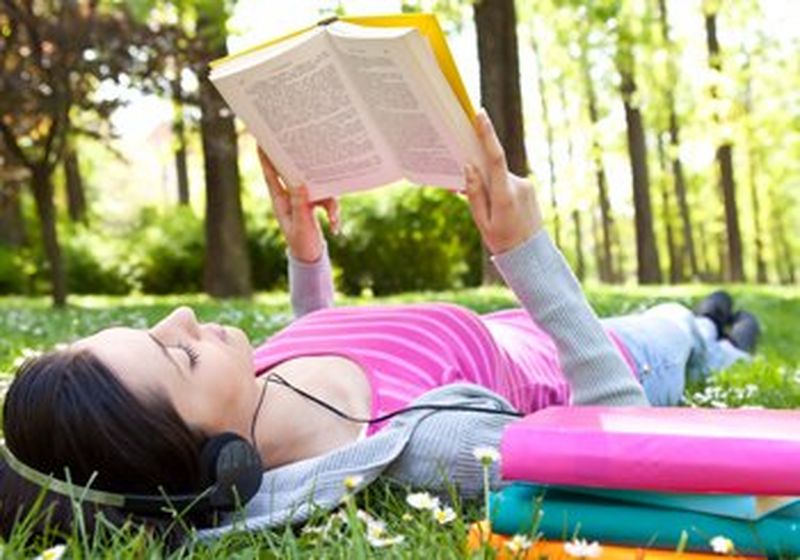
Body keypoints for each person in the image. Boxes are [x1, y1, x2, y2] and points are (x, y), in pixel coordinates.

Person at [0, 112, 759, 541]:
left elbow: (323, 346)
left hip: (504, 326)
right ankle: (714, 336)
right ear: (221, 464)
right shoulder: (426, 446)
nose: (189, 319)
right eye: (181, 356)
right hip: (577, 346)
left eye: (160, 325)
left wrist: (306, 254)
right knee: (675, 330)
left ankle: (706, 325)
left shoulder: (259, 389)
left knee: (677, 318)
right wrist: (527, 255)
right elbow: (627, 451)